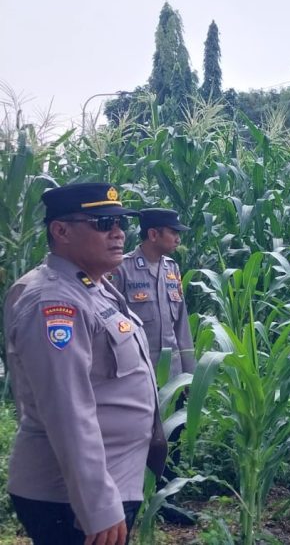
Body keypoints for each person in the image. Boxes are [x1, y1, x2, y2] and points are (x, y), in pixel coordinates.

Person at [4, 182, 166, 545]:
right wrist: (98, 505)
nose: (118, 233)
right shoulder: (54, 303)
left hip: (105, 482)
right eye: (103, 223)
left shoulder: (92, 287)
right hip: (71, 498)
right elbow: (67, 412)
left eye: (121, 223)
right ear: (61, 231)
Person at [110, 208, 196, 526]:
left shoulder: (172, 269)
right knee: (139, 437)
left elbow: (181, 325)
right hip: (137, 374)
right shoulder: (122, 269)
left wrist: (190, 375)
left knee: (172, 434)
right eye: (172, 232)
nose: (177, 238)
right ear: (153, 234)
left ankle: (165, 499)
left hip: (172, 374)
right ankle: (136, 497)